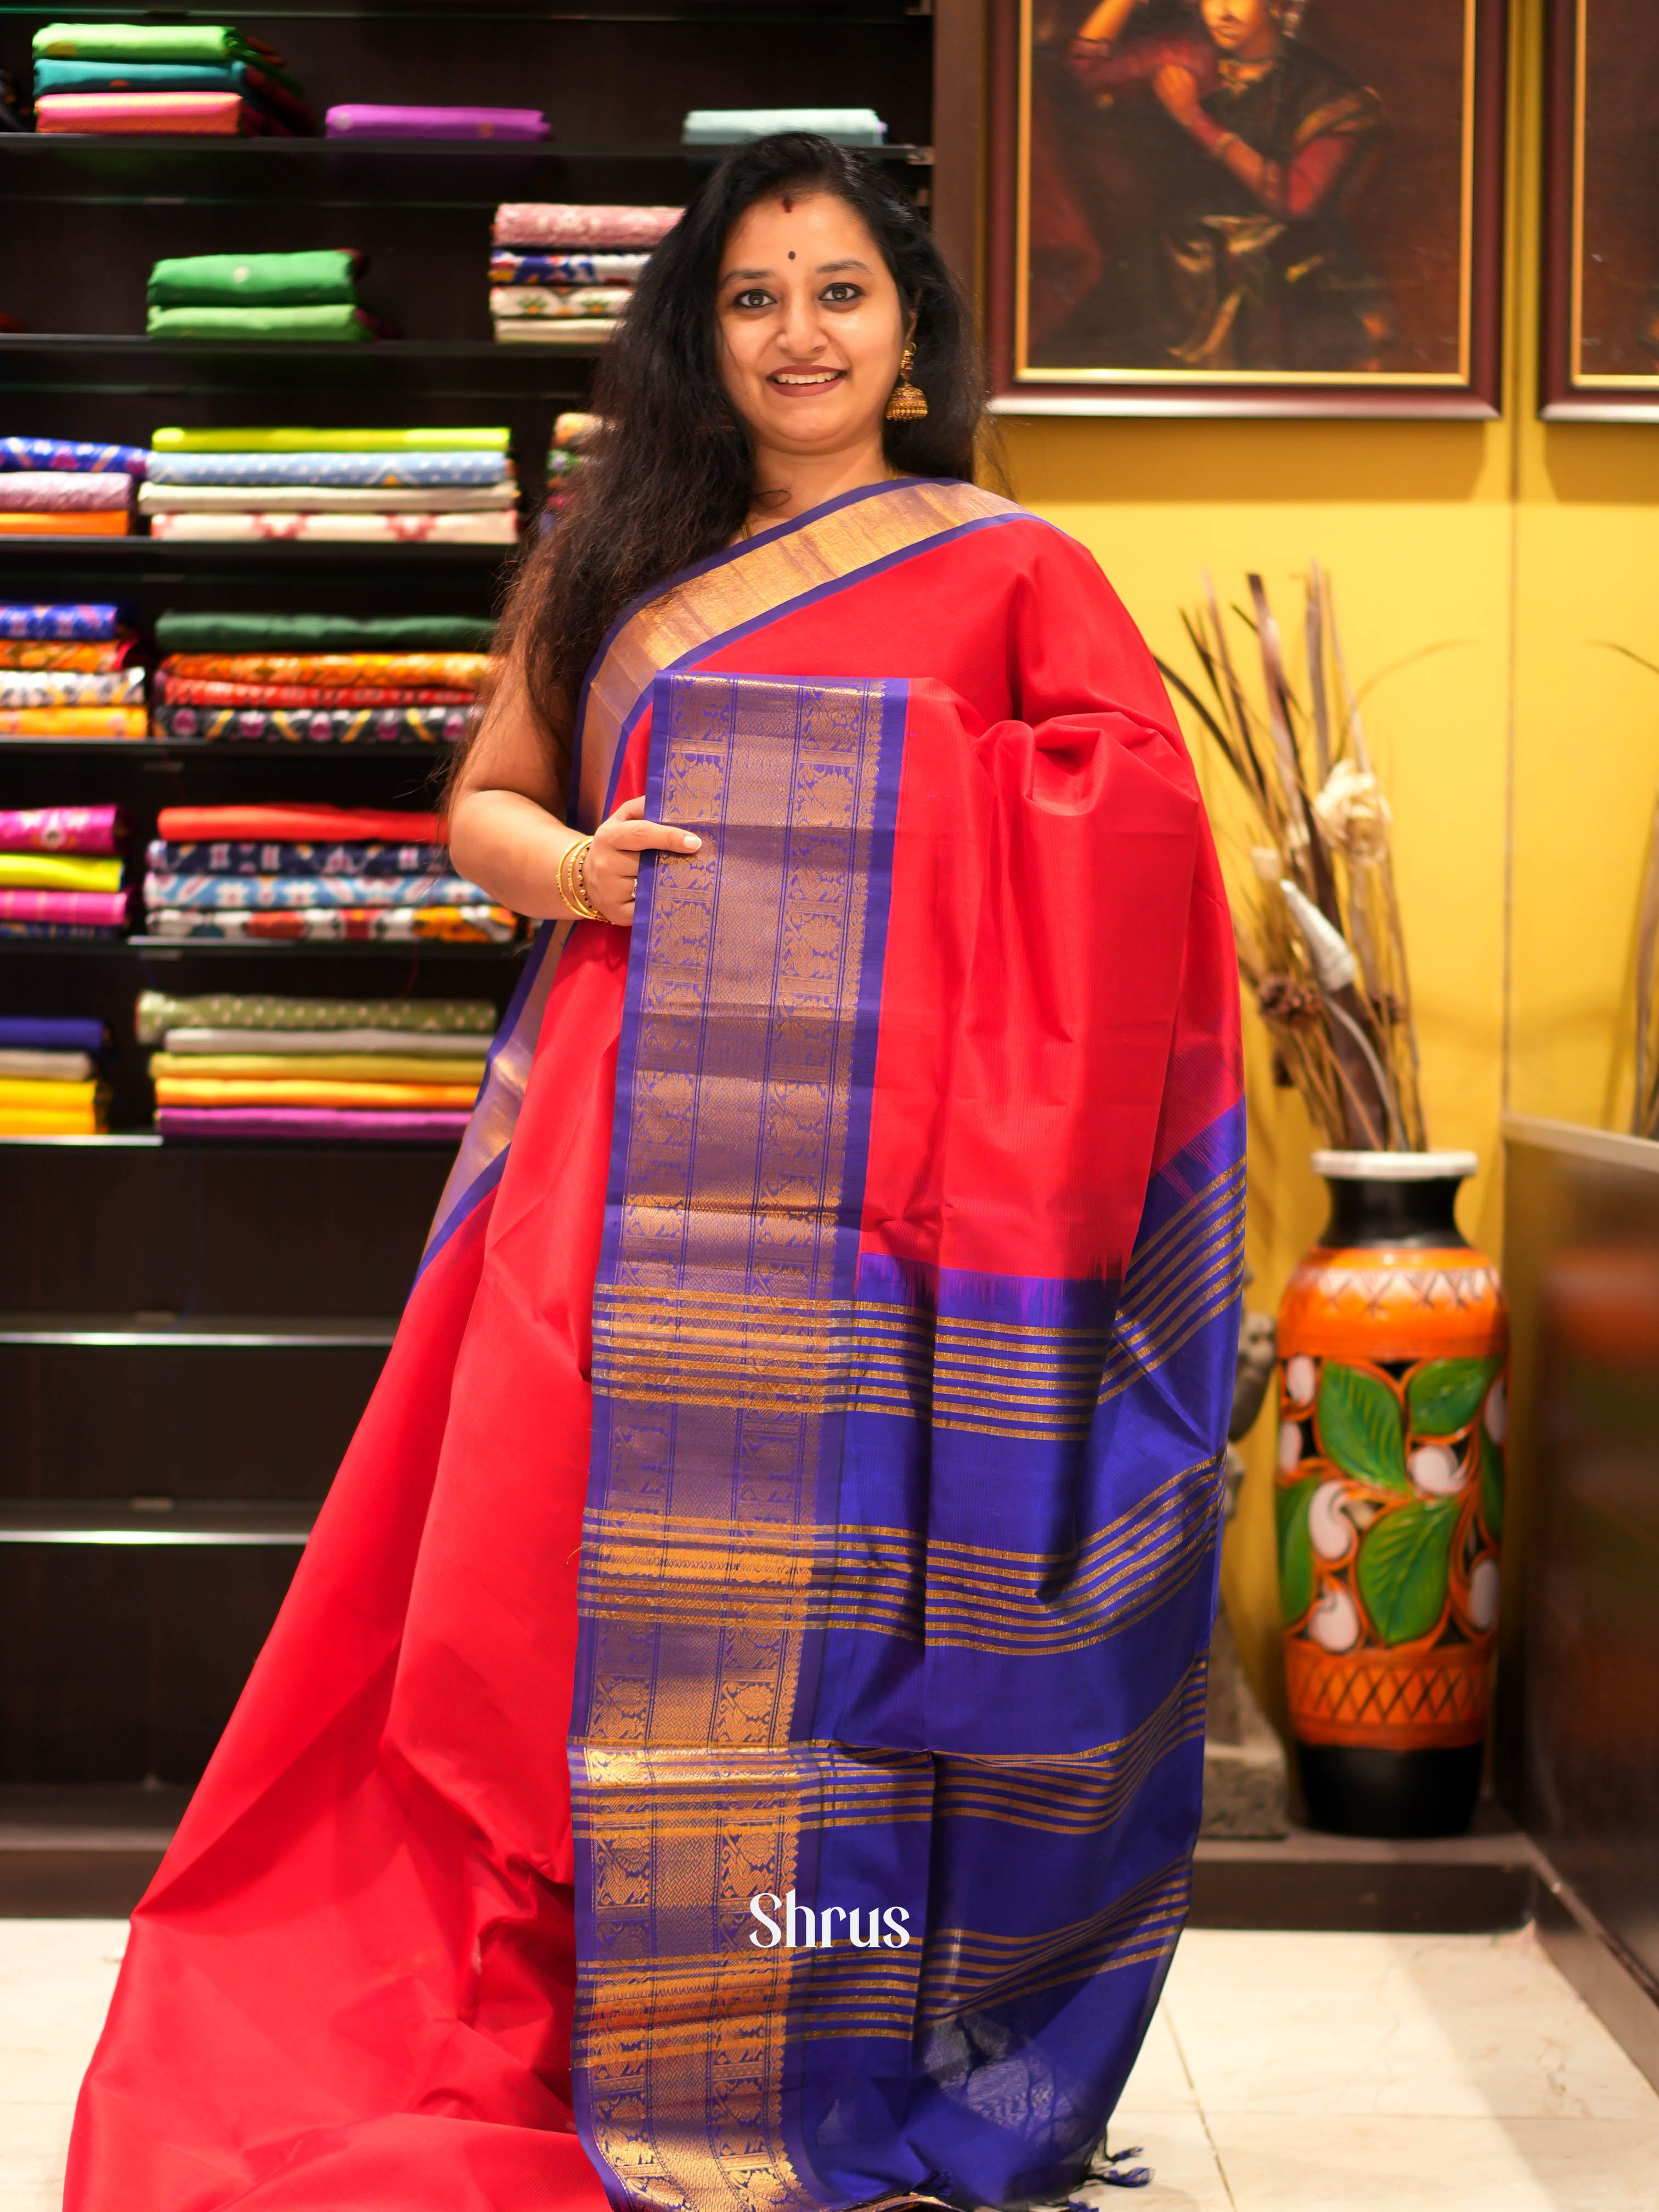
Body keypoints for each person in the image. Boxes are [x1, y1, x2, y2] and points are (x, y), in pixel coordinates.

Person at [65, 135, 1244, 2212]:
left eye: (839, 291)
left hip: (899, 1211)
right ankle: (569, 2008)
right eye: (751, 296)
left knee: (844, 1614)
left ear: (906, 327)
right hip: (618, 1172)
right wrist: (589, 868)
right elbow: (486, 814)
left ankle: (829, 2018)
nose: (798, 332)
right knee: (558, 1603)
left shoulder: (1009, 565)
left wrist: (911, 822)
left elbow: (1124, 829)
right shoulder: (612, 552)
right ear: (701, 336)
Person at [1043, 0, 1391, 371]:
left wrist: (1196, 121)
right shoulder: (1187, 54)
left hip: (1286, 278)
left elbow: (1294, 198)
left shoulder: (1328, 93)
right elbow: (1081, 69)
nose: (1221, 12)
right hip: (1180, 272)